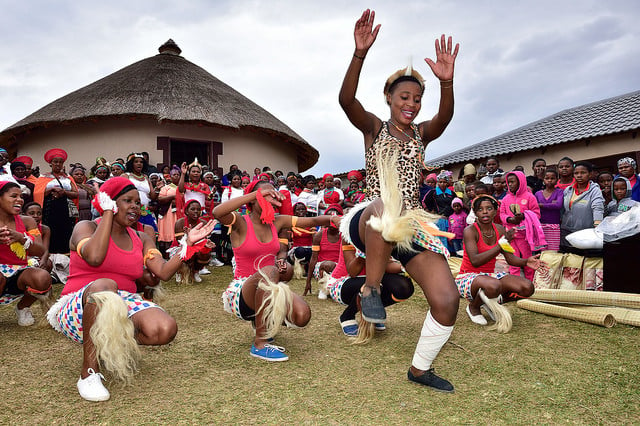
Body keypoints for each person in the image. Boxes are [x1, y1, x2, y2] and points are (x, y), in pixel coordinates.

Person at [338, 10, 459, 391]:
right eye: (404, 96)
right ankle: (370, 288)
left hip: (411, 224)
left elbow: (446, 117)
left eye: (417, 98)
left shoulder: (422, 134)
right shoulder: (375, 128)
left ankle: (420, 369)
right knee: (385, 208)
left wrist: (447, 82)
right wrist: (359, 54)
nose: (412, 103)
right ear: (389, 98)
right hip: (369, 218)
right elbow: (346, 100)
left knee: (447, 299)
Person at [46, 176, 214, 401]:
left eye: (137, 202)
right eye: (128, 200)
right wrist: (106, 213)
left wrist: (187, 246)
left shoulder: (142, 238)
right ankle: (89, 372)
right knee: (106, 285)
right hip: (79, 304)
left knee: (164, 329)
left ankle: (111, 340)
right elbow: (95, 257)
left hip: (122, 302)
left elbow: (163, 272)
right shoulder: (85, 227)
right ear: (110, 202)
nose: (136, 206)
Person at [213, 179, 338, 361]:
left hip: (269, 287)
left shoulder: (277, 222)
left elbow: (312, 220)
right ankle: (260, 343)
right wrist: (255, 194)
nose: (272, 197)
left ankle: (262, 321)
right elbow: (218, 212)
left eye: (274, 192)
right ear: (253, 200)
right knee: (270, 270)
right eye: (266, 194)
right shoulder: (240, 222)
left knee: (302, 315)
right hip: (241, 293)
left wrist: (334, 219)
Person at [457, 195, 537, 327]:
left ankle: (489, 302)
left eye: (489, 208)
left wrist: (526, 262)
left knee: (527, 288)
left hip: (490, 277)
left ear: (495, 211)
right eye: (480, 209)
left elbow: (509, 258)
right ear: (475, 213)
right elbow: (475, 261)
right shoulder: (470, 231)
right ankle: (474, 307)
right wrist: (500, 245)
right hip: (467, 277)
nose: (485, 212)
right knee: (494, 286)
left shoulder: (499, 229)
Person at [328, 239, 413, 337]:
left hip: (372, 279)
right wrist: (365, 252)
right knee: (373, 285)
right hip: (342, 283)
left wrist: (405, 267)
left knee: (404, 287)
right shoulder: (348, 235)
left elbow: (386, 266)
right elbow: (352, 272)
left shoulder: (383, 235)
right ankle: (347, 316)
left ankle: (370, 312)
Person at [0, 182, 52, 326]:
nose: (20, 200)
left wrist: (22, 239)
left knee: (42, 277)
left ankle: (22, 308)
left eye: (21, 196)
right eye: (13, 196)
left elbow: (41, 250)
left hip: (20, 270)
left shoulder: (27, 221)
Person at [499, 171, 544, 280]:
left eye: (512, 182)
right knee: (513, 260)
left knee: (527, 259)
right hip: (511, 235)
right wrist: (510, 219)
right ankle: (515, 283)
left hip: (525, 236)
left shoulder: (529, 197)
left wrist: (523, 216)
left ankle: (529, 282)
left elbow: (537, 214)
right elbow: (502, 214)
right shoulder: (506, 198)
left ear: (521, 182)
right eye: (508, 182)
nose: (509, 185)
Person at [33, 148, 79, 254]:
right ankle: (49, 254)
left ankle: (65, 254)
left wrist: (64, 192)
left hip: (65, 210)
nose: (58, 164)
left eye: (60, 162)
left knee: (65, 231)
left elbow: (75, 193)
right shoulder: (43, 177)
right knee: (50, 230)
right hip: (49, 210)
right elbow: (37, 194)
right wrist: (51, 190)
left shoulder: (68, 178)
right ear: (50, 163)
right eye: (55, 162)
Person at [560, 161, 604, 254]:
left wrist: (597, 225)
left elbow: (598, 208)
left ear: (590, 174)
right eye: (576, 173)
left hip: (584, 233)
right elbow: (562, 208)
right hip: (566, 231)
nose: (579, 175)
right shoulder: (568, 190)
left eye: (583, 173)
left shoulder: (595, 190)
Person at [305, 204, 343, 298]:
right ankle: (324, 287)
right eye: (329, 220)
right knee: (328, 265)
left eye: (335, 220)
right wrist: (308, 281)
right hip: (322, 267)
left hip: (339, 267)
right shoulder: (319, 235)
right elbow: (313, 259)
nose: (332, 223)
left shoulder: (344, 236)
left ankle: (332, 287)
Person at [173, 200, 213, 283]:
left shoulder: (204, 223)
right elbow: (180, 242)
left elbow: (204, 240)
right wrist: (188, 236)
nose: (196, 211)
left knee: (205, 254)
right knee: (186, 252)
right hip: (181, 248)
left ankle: (195, 271)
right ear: (187, 211)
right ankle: (179, 272)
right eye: (193, 209)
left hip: (197, 247)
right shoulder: (180, 223)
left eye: (198, 209)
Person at [125, 153, 158, 231]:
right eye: (136, 162)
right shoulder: (126, 176)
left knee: (149, 233)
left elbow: (153, 196)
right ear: (131, 164)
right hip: (131, 210)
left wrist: (158, 189)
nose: (139, 163)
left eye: (141, 162)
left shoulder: (146, 177)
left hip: (145, 210)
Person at [534, 169, 563, 251]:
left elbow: (558, 205)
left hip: (554, 226)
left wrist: (542, 205)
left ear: (557, 180)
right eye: (547, 178)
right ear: (543, 180)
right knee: (542, 251)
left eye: (552, 178)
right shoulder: (538, 193)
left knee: (553, 251)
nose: (549, 180)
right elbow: (535, 208)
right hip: (540, 226)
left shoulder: (559, 192)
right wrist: (551, 205)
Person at [157, 166, 181, 257]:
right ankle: (166, 255)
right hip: (168, 213)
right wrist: (172, 197)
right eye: (174, 175)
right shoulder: (166, 188)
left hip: (179, 212)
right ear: (170, 177)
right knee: (168, 231)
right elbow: (160, 198)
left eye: (178, 175)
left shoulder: (183, 187)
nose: (176, 176)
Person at [23, 201, 52, 273]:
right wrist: (29, 259)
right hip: (23, 256)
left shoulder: (45, 229)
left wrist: (43, 260)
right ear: (24, 215)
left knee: (48, 263)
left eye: (39, 213)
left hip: (38, 256)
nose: (36, 216)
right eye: (32, 213)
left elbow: (45, 250)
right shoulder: (19, 228)